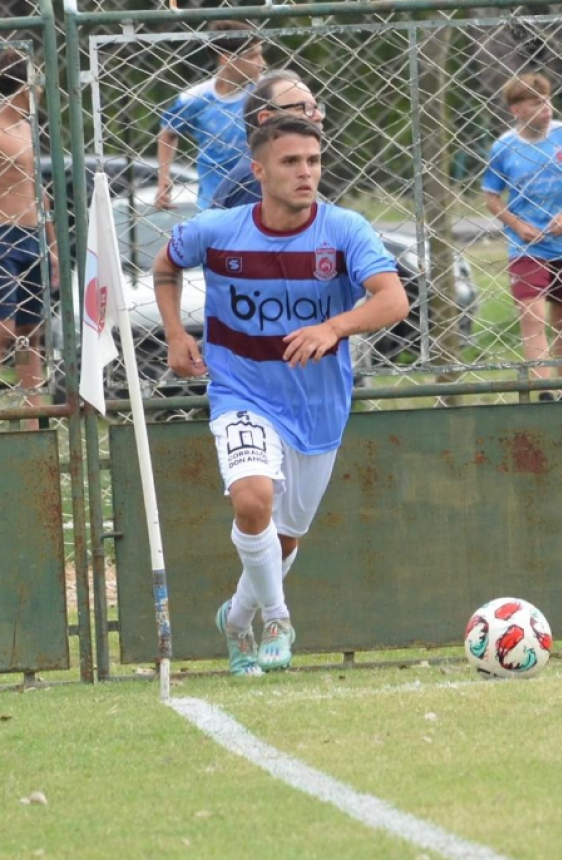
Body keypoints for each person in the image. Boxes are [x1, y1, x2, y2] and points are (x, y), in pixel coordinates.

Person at [152, 116, 409, 676]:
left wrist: (333, 328)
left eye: (313, 162)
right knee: (251, 500)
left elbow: (393, 302)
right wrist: (175, 332)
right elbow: (166, 265)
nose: (306, 173)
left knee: (284, 539)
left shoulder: (344, 231)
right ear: (259, 168)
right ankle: (277, 617)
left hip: (317, 408)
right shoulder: (216, 230)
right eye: (291, 162)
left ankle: (236, 617)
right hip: (240, 391)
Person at [482, 72, 562, 401]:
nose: (546, 109)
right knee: (532, 317)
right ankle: (543, 391)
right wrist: (516, 225)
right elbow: (491, 196)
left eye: (548, 101)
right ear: (516, 110)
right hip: (526, 246)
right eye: (536, 103)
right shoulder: (504, 147)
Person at [0, 50, 58, 432]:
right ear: (22, 87)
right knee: (1, 328)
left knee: (28, 331)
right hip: (1, 235)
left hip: (32, 236)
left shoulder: (26, 129)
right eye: (35, 82)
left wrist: (51, 245)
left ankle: (31, 410)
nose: (39, 90)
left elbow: (40, 192)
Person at [155, 21, 266, 211]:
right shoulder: (196, 99)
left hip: (260, 202)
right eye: (253, 56)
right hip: (214, 205)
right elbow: (168, 132)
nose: (262, 63)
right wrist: (164, 180)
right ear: (227, 59)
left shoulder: (267, 93)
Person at [211, 69, 325, 210]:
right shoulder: (259, 180)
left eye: (316, 107)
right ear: (267, 120)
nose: (319, 116)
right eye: (303, 108)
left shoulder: (269, 171)